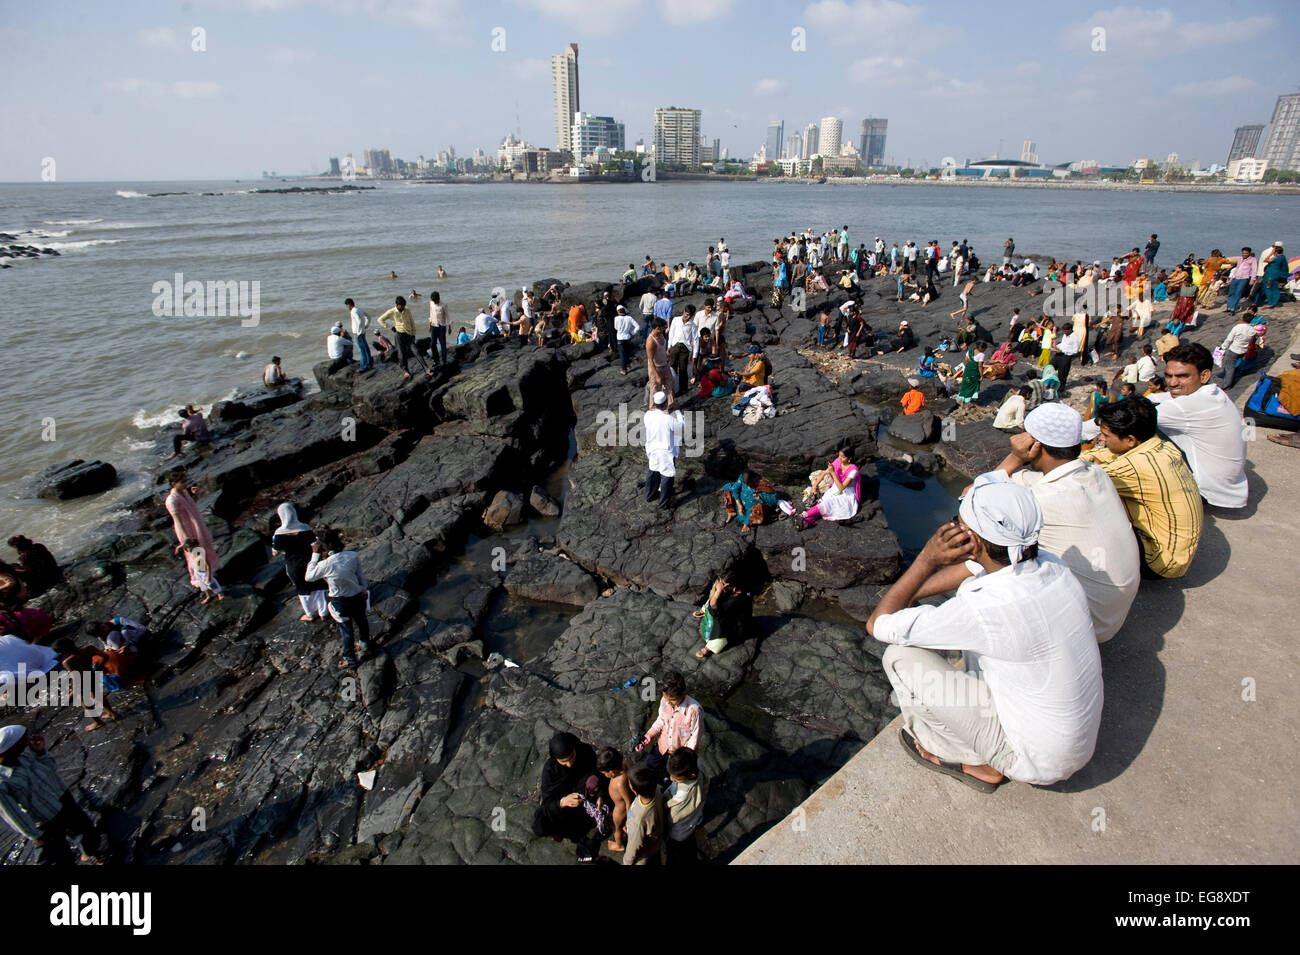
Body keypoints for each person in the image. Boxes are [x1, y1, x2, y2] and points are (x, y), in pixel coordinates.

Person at [866, 477, 1103, 790]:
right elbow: (976, 571)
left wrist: (926, 560)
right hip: (1073, 743)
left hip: (1034, 761)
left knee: (899, 656)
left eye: (957, 523)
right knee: (972, 614)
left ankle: (971, 759)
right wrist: (913, 593)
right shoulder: (1052, 566)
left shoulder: (985, 609)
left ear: (973, 542)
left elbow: (878, 625)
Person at [992, 404, 1141, 642]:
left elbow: (973, 496)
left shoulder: (1041, 499)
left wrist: (1014, 458)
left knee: (984, 563)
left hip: (1090, 626)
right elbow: (1027, 482)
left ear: (1035, 444)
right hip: (1113, 612)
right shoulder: (1096, 472)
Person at [1083, 397, 1203, 579]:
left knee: (1091, 499)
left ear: (1130, 440)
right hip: (1179, 554)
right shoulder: (1163, 447)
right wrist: (1092, 459)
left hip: (1160, 562)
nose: (1101, 439)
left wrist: (1092, 465)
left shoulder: (1138, 466)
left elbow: (1078, 479)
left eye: (1106, 436)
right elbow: (1104, 454)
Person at [1149, 343, 1248, 508]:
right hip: (1228, 487)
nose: (1172, 383)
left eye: (1182, 376)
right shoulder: (1214, 394)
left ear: (1204, 376)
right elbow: (1159, 398)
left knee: (1141, 429)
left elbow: (1132, 416)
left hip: (1205, 490)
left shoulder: (1190, 406)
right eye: (1168, 376)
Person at [0, 725, 106, 864]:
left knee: (84, 831)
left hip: (60, 797)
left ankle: (90, 853)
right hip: (44, 819)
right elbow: (12, 814)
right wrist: (35, 836)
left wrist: (41, 752)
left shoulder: (25, 755)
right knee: (57, 856)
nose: (28, 741)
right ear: (12, 746)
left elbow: (51, 768)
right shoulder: (3, 780)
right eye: (24, 739)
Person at [303, 529, 371, 668]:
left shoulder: (325, 565)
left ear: (323, 546)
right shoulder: (352, 555)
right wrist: (364, 590)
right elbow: (360, 576)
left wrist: (315, 554)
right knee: (362, 621)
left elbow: (308, 577)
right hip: (357, 595)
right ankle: (365, 644)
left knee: (347, 631)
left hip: (341, 601)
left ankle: (350, 659)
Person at [532, 731, 604, 863]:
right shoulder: (550, 770)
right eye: (563, 761)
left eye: (571, 757)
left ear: (575, 749)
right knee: (539, 824)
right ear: (556, 759)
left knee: (593, 781)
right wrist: (563, 802)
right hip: (563, 802)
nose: (569, 764)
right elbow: (548, 800)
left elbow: (595, 772)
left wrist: (599, 795)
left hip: (583, 794)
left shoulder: (585, 752)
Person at [634, 671, 701, 772]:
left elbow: (694, 738)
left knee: (670, 778)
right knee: (647, 770)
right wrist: (649, 735)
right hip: (661, 746)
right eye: (666, 698)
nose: (669, 702)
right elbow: (661, 720)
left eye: (673, 700)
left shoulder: (694, 710)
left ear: (683, 693)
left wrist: (683, 758)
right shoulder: (664, 701)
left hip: (678, 755)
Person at [271, 503, 328, 621]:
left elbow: (275, 552)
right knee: (317, 585)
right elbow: (315, 544)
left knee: (302, 589)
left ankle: (310, 614)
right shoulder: (304, 528)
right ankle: (323, 612)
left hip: (293, 565)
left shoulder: (279, 533)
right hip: (309, 560)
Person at [164, 472, 220, 577]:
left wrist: (195, 495)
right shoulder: (171, 500)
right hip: (187, 529)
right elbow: (177, 521)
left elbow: (190, 506)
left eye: (185, 481)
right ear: (173, 483)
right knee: (197, 554)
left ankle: (211, 572)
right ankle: (205, 580)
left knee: (205, 546)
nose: (185, 484)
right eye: (182, 482)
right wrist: (186, 538)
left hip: (197, 524)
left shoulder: (184, 492)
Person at [795, 442, 860, 530]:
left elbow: (841, 487)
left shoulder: (853, 470)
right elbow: (824, 473)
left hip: (846, 493)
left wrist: (833, 473)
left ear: (850, 458)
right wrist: (814, 486)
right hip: (835, 488)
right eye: (839, 456)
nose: (840, 459)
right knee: (821, 504)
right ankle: (806, 523)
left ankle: (803, 515)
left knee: (826, 503)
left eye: (843, 457)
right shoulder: (838, 461)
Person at [694, 571, 752, 659]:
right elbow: (711, 599)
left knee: (717, 619)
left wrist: (719, 590)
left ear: (729, 585)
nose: (721, 585)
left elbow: (713, 605)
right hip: (731, 616)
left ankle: (709, 647)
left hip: (737, 629)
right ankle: (703, 611)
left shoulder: (737, 600)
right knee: (714, 601)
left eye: (723, 584)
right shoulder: (734, 590)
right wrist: (715, 587)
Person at [643, 390, 683, 509]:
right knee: (667, 475)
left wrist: (668, 411)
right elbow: (681, 427)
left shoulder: (648, 415)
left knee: (653, 470)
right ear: (665, 403)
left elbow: (658, 420)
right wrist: (677, 411)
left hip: (652, 449)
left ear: (654, 403)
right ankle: (664, 503)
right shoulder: (668, 419)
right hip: (665, 452)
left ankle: (649, 495)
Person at [664, 748, 704, 865]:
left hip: (679, 832)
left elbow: (673, 815)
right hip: (694, 818)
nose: (671, 779)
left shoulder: (683, 794)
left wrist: (663, 805)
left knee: (677, 852)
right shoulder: (697, 766)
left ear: (690, 775)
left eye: (676, 778)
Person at [376, 295, 429, 380]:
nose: (404, 307)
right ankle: (406, 371)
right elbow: (380, 320)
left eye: (404, 305)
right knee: (401, 354)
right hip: (399, 335)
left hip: (409, 334)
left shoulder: (407, 310)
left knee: (416, 351)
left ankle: (426, 369)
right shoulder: (392, 312)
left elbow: (412, 322)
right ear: (397, 305)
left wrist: (413, 334)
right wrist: (390, 327)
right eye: (402, 306)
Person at [623, 763, 664, 866]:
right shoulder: (657, 790)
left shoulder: (639, 820)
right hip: (656, 842)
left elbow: (633, 847)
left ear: (633, 789)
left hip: (643, 856)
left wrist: (626, 862)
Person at [597, 748, 633, 853]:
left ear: (612, 772)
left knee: (617, 828)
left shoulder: (620, 783)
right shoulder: (626, 763)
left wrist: (629, 819)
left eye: (604, 773)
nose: (604, 775)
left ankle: (619, 844)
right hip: (620, 805)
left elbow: (628, 802)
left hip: (620, 810)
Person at [1218, 312, 1258, 390]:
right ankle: (1231, 379)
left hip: (1234, 350)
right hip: (1244, 350)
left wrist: (1223, 347)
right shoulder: (1252, 330)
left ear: (1242, 318)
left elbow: (1229, 339)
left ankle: (1226, 385)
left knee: (1230, 367)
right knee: (1236, 365)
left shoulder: (1237, 327)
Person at [183, 538, 222, 603]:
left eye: (193, 549)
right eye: (190, 551)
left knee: (211, 583)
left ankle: (219, 593)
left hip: (204, 572)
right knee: (202, 585)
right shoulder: (191, 554)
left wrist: (209, 576)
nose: (192, 551)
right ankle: (208, 596)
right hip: (197, 572)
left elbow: (208, 565)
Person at [344, 298, 372, 372]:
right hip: (362, 331)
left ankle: (363, 367)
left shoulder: (353, 311)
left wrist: (358, 332)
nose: (347, 308)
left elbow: (359, 321)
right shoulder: (359, 309)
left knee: (362, 350)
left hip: (357, 333)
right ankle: (369, 362)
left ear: (349, 305)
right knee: (366, 347)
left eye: (347, 306)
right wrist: (365, 326)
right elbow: (369, 317)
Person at [1257, 242, 1288, 308]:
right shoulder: (1282, 258)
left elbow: (1265, 260)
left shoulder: (1277, 258)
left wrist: (1271, 254)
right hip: (1273, 274)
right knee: (1272, 288)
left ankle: (1271, 302)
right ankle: (1270, 302)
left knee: (1269, 288)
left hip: (1271, 275)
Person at [614, 305, 640, 375]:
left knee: (622, 354)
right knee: (627, 352)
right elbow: (638, 327)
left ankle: (624, 369)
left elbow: (616, 328)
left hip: (620, 338)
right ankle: (628, 365)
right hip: (628, 337)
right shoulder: (629, 318)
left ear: (618, 311)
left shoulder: (616, 318)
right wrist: (632, 333)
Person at [427, 291, 449, 366]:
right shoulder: (431, 303)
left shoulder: (443, 305)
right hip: (433, 326)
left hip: (441, 327)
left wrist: (449, 327)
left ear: (438, 299)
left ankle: (444, 361)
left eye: (436, 301)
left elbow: (447, 316)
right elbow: (430, 313)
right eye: (433, 301)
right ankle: (436, 361)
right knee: (432, 344)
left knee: (443, 344)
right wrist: (429, 324)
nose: (435, 302)